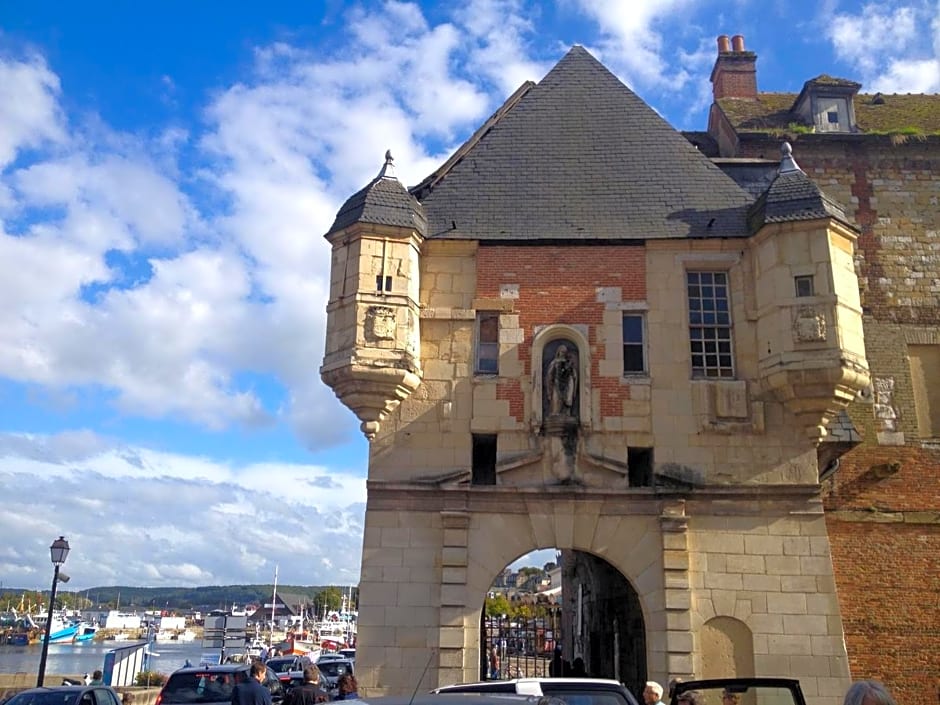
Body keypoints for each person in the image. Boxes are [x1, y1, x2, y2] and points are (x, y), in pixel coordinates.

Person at [547, 345, 578, 417]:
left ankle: (567, 413)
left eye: (565, 352)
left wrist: (571, 371)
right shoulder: (554, 362)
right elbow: (550, 374)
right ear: (558, 352)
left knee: (567, 398)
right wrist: (550, 386)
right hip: (557, 383)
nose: (563, 353)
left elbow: (574, 374)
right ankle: (555, 412)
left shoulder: (569, 362)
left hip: (568, 383)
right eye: (562, 351)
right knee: (556, 398)